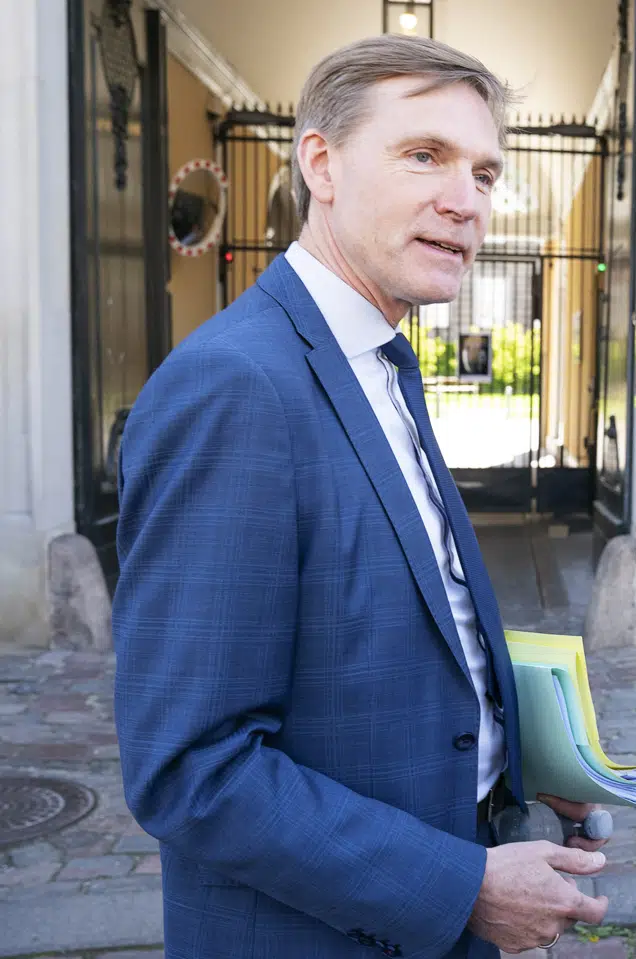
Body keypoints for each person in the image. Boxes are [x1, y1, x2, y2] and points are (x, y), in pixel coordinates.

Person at [113, 35, 609, 959]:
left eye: (487, 173)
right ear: (321, 163)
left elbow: (411, 627)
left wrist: (526, 760)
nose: (466, 201)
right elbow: (190, 767)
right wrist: (459, 888)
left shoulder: (381, 358)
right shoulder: (233, 387)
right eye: (425, 155)